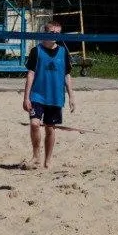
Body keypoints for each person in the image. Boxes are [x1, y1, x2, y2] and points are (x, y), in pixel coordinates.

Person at [22, 21, 75, 169]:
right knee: (34, 124)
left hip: (55, 97)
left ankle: (48, 160)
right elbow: (30, 74)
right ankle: (36, 156)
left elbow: (67, 75)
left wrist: (71, 97)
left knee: (50, 129)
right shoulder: (36, 51)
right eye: (52, 33)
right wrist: (26, 97)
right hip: (37, 95)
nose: (55, 36)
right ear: (44, 33)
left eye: (57, 33)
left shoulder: (63, 52)